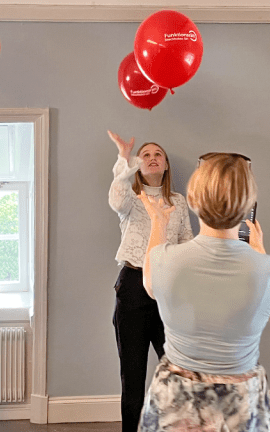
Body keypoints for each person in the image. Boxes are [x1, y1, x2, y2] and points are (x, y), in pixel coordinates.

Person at [137, 152, 270, 432]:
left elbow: (149, 285)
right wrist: (258, 250)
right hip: (239, 406)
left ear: (193, 200)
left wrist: (158, 222)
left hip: (175, 402)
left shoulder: (163, 260)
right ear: (247, 205)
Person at [107, 131, 194, 432]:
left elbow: (186, 242)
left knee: (178, 370)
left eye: (158, 154)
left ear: (167, 165)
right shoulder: (130, 197)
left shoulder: (179, 202)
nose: (152, 158)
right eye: (146, 155)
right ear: (138, 165)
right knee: (132, 375)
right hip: (132, 287)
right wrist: (123, 156)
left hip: (169, 288)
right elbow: (116, 195)